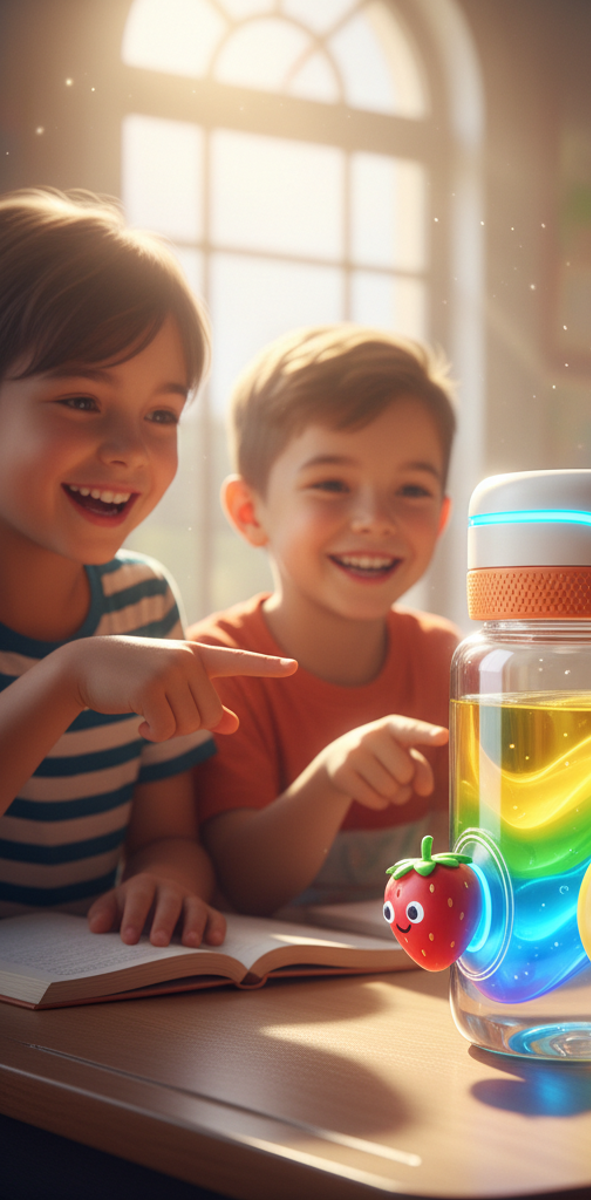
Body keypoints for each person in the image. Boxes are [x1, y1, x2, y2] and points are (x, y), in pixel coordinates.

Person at [0, 189, 296, 947]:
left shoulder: (141, 603)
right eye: (80, 399)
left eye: (162, 414)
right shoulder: (103, 655)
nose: (130, 447)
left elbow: (170, 836)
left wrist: (165, 881)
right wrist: (71, 676)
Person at [189, 326, 460, 916]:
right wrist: (332, 780)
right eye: (332, 484)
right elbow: (245, 882)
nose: (374, 519)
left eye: (410, 490)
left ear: (440, 518)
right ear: (249, 511)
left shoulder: (449, 660)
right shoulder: (217, 663)